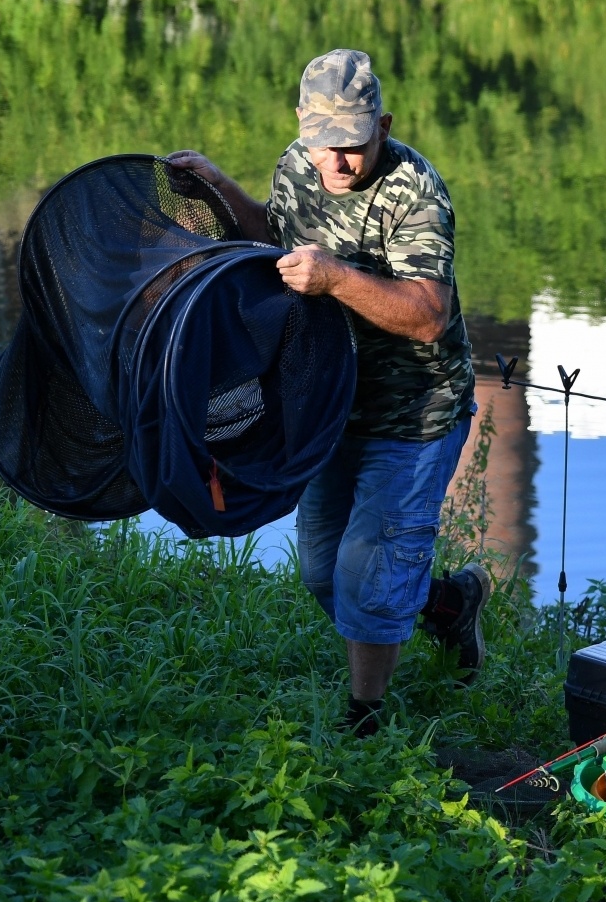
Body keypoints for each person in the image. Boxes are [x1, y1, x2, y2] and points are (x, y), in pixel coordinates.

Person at [169, 49, 488, 737]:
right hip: (328, 406)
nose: (336, 162)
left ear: (384, 126)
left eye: (352, 144)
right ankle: (448, 605)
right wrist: (219, 188)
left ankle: (364, 721)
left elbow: (429, 315)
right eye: (323, 143)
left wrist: (337, 278)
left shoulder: (415, 191)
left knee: (368, 574)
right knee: (322, 571)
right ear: (301, 124)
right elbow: (275, 237)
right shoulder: (297, 164)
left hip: (415, 410)